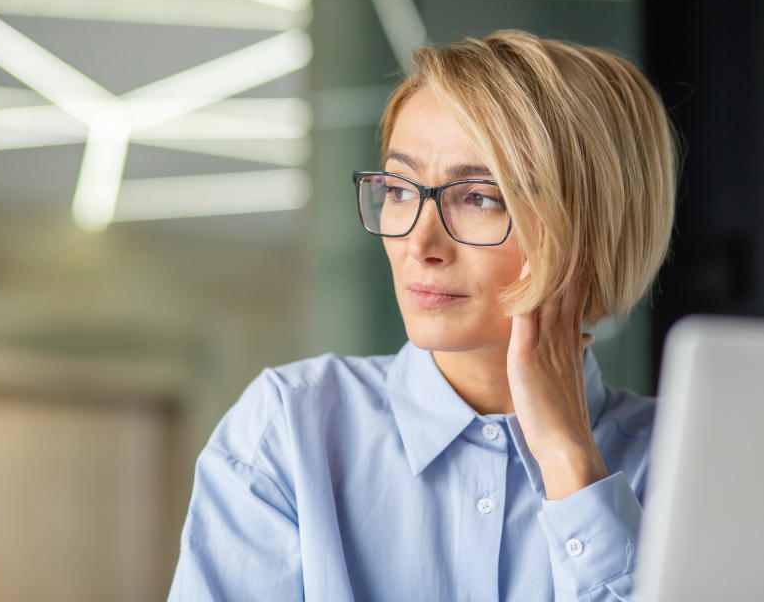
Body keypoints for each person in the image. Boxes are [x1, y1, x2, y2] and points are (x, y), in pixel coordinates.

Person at [167, 30, 676, 601]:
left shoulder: (685, 462)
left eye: (480, 197)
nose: (420, 242)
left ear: (591, 231)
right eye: (400, 188)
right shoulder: (289, 429)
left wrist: (568, 459)